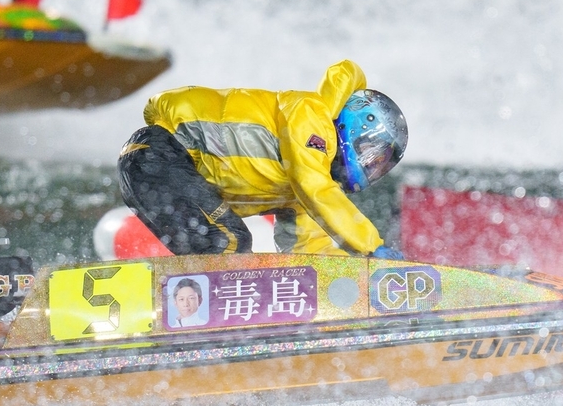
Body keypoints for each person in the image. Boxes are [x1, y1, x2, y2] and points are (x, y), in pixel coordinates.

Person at [118, 59, 407, 258]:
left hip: (161, 170)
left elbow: (310, 254)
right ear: (353, 128)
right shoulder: (312, 119)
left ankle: (191, 319)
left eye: (380, 164)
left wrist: (362, 279)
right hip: (159, 155)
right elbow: (315, 188)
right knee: (228, 243)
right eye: (372, 154)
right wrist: (371, 247)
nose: (371, 166)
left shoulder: (303, 190)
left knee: (224, 247)